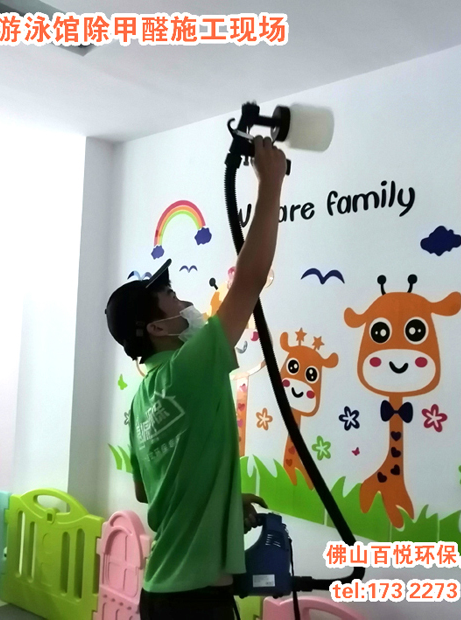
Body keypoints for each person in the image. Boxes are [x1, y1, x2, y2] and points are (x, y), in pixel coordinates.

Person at [105, 136, 287, 620]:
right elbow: (249, 280)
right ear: (159, 328)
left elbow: (149, 492)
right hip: (196, 604)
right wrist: (270, 183)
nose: (184, 300)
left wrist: (221, 504)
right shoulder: (190, 368)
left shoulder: (143, 399)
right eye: (170, 297)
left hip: (161, 592)